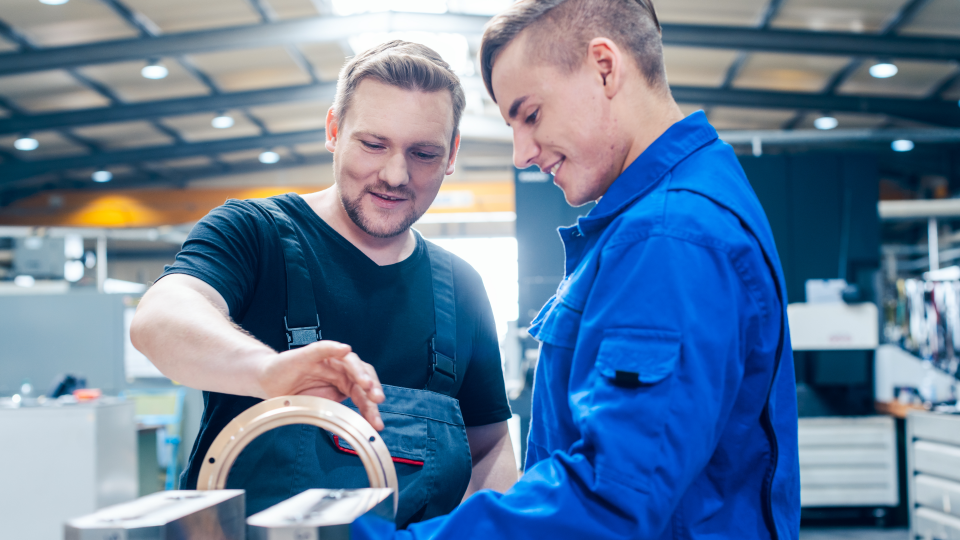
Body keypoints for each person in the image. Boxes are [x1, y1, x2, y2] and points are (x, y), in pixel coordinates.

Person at [356, 1, 801, 539]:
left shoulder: (669, 235)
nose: (521, 153)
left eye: (531, 114)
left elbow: (609, 500)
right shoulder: (688, 201)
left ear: (605, 68)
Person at [131, 41, 518, 526]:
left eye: (422, 153)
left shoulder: (462, 287)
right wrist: (267, 372)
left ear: (452, 153)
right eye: (373, 144)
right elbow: (160, 318)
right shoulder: (253, 232)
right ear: (334, 130)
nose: (395, 175)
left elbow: (490, 447)